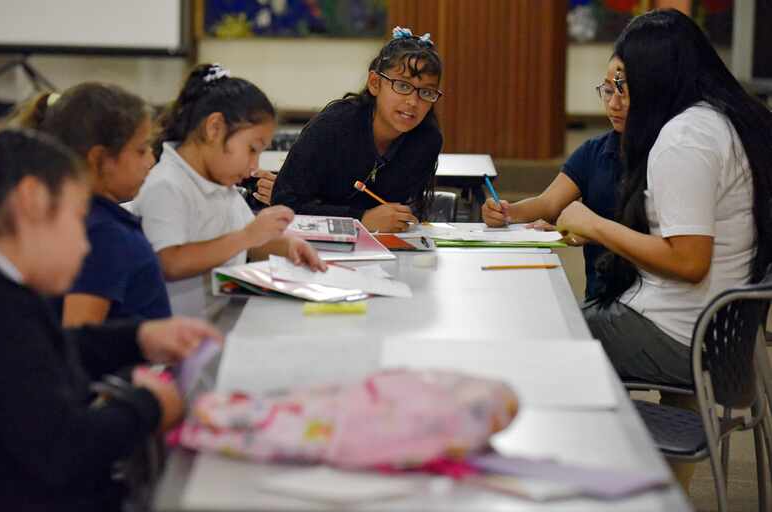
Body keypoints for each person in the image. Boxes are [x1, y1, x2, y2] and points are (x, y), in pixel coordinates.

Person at [0, 129, 220, 512]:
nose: (84, 242)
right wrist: (148, 404)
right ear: (32, 200)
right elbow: (65, 451)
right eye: (77, 220)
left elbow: (34, 357)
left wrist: (139, 337)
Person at [556, 13, 772, 512]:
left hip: (679, 334)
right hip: (721, 337)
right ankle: (643, 505)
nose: (618, 95)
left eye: (626, 82)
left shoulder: (685, 137)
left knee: (542, 341)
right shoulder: (729, 120)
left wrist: (595, 224)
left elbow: (688, 261)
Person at [133, 63, 325, 315]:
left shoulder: (220, 183)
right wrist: (247, 236)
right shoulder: (166, 185)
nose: (254, 166)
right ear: (214, 128)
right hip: (177, 339)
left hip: (220, 320)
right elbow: (169, 262)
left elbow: (247, 245)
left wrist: (287, 245)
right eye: (251, 149)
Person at [16, 83, 170, 325]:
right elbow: (81, 339)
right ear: (99, 158)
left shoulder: (90, 221)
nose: (150, 160)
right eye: (140, 151)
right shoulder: (103, 235)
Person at [268, 26, 444, 233]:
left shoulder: (427, 139)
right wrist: (361, 219)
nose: (413, 102)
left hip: (387, 252)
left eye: (426, 92)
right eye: (403, 86)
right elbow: (284, 204)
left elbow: (409, 209)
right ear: (375, 83)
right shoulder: (333, 126)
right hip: (312, 248)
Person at [482, 56, 627, 299]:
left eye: (624, 92)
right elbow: (548, 204)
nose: (614, 104)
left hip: (636, 303)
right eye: (608, 91)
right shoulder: (595, 151)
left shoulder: (663, 155)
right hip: (600, 300)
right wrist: (505, 212)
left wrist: (590, 231)